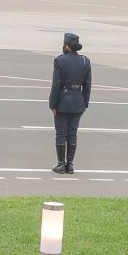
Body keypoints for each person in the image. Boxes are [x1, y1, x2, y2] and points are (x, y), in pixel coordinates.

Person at [48, 32, 91, 174]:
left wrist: (52, 104)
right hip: (78, 101)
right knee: (72, 133)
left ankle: (61, 164)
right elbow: (88, 84)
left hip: (63, 102)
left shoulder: (60, 61)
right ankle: (70, 165)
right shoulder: (85, 61)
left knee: (61, 133)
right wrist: (85, 102)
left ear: (66, 46)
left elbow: (56, 85)